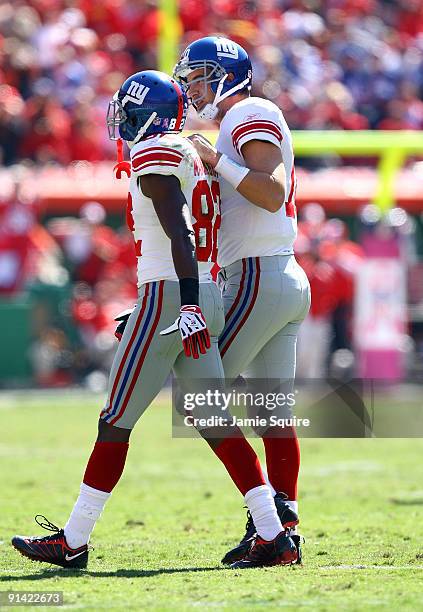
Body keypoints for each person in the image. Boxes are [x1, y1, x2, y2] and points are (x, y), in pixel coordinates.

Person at [11, 70, 298, 570]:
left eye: (126, 109)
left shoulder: (157, 152)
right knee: (213, 419)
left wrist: (179, 302)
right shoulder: (191, 151)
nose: (120, 119)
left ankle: (73, 539)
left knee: (114, 420)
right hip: (199, 292)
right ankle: (274, 535)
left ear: (145, 113)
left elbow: (178, 234)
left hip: (174, 297)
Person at [174, 36, 311, 565]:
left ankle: (269, 528)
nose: (194, 86)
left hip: (259, 275)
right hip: (274, 274)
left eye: (202, 75)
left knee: (198, 395)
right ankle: (284, 526)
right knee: (273, 416)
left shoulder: (248, 111)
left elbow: (271, 190)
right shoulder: (236, 120)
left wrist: (215, 160)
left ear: (229, 74)